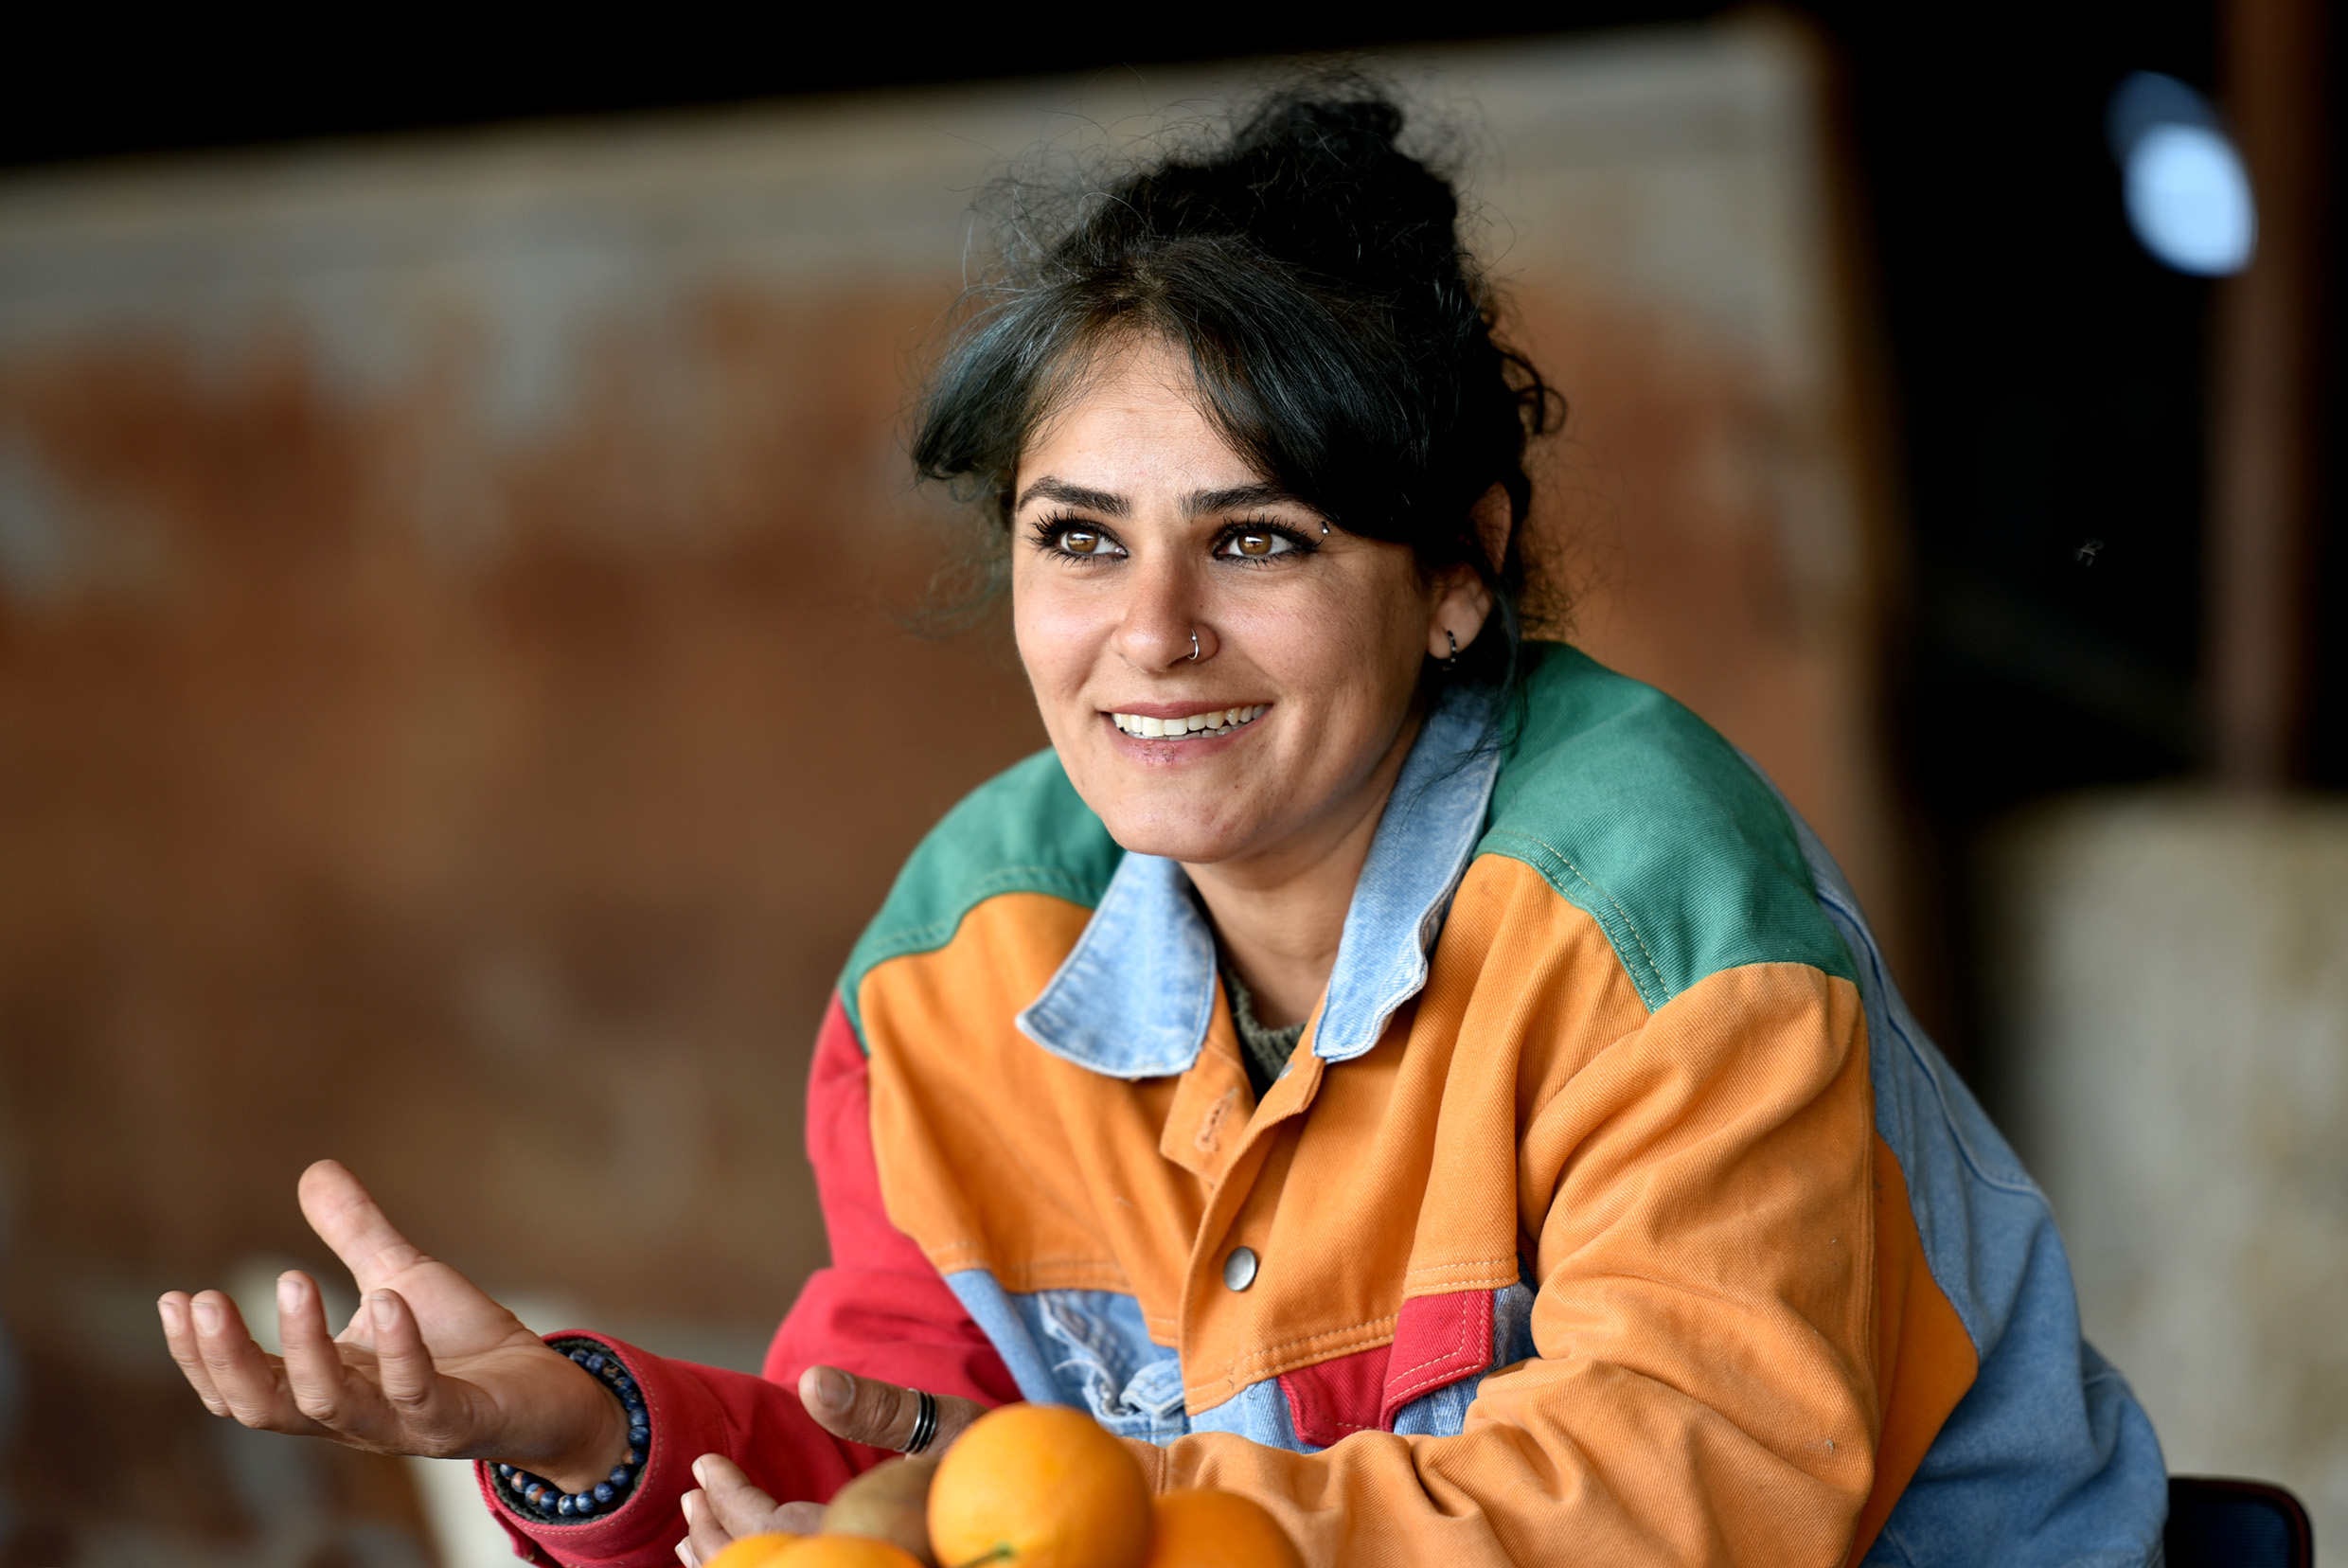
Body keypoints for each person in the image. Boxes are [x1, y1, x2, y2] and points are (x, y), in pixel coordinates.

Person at [156, 91, 2168, 1567]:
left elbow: (1681, 1507)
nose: (1152, 634)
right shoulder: (962, 956)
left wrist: (1126, 1517)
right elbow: (905, 1467)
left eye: (1258, 540)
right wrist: (579, 1428)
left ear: (1456, 573)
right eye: (1078, 538)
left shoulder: (1651, 905)